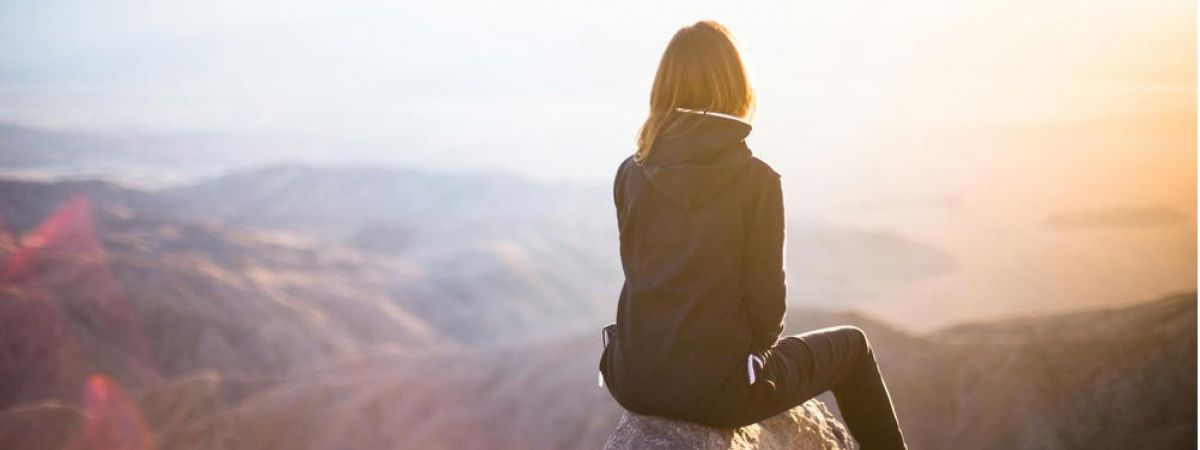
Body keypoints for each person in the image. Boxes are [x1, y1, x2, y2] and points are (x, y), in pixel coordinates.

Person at [597, 20, 908, 450]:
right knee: (854, 348)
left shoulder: (629, 173)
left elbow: (645, 275)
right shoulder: (756, 181)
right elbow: (767, 315)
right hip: (720, 394)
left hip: (631, 378)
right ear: (735, 86)